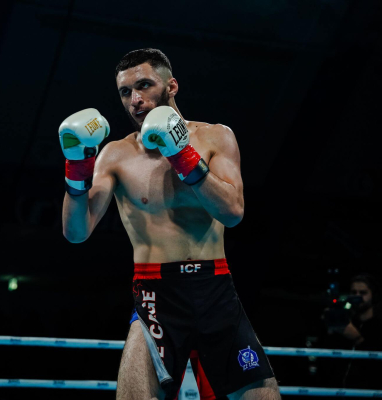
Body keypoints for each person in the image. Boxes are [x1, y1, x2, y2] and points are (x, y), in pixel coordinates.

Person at [60, 48, 279, 400]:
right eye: (125, 92)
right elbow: (76, 232)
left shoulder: (215, 137)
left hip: (214, 287)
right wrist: (76, 168)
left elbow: (233, 212)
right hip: (155, 294)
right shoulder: (116, 154)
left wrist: (183, 156)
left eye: (144, 85)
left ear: (172, 86)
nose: (135, 99)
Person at [324, 273, 382, 389]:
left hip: (368, 391)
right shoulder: (346, 322)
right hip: (338, 389)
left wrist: (358, 339)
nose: (357, 297)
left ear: (373, 296)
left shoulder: (378, 325)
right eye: (354, 292)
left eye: (363, 293)